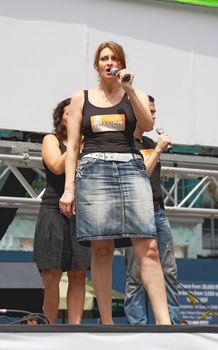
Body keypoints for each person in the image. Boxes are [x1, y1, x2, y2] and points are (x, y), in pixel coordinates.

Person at [59, 41, 171, 325]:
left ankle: (164, 324)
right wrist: (69, 188)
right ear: (96, 65)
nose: (109, 62)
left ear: (122, 63)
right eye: (104, 58)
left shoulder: (136, 92)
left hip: (131, 167)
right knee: (101, 248)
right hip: (93, 169)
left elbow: (145, 126)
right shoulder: (81, 98)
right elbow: (72, 147)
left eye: (114, 58)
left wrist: (130, 89)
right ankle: (107, 322)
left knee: (148, 247)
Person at [124, 95, 182, 324]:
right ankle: (137, 328)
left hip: (159, 211)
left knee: (169, 272)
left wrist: (156, 148)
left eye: (155, 110)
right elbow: (138, 176)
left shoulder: (150, 143)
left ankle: (171, 325)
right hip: (136, 213)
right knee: (136, 276)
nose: (154, 115)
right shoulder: (124, 143)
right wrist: (158, 150)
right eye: (150, 110)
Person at [33, 98, 90, 324]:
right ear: (61, 118)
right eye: (70, 113)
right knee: (52, 273)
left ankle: (75, 328)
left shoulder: (90, 143)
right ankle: (49, 327)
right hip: (54, 209)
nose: (75, 116)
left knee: (78, 273)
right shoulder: (51, 139)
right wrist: (75, 144)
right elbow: (56, 166)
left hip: (83, 212)